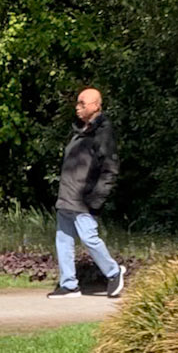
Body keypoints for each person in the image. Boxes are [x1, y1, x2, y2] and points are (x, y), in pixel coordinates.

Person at [49, 86, 124, 300]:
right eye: (77, 103)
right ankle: (69, 285)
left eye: (82, 103)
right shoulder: (79, 132)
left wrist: (96, 199)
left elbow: (110, 169)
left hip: (84, 199)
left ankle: (114, 272)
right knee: (63, 240)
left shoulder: (103, 133)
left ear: (96, 106)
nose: (77, 107)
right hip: (67, 197)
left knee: (89, 239)